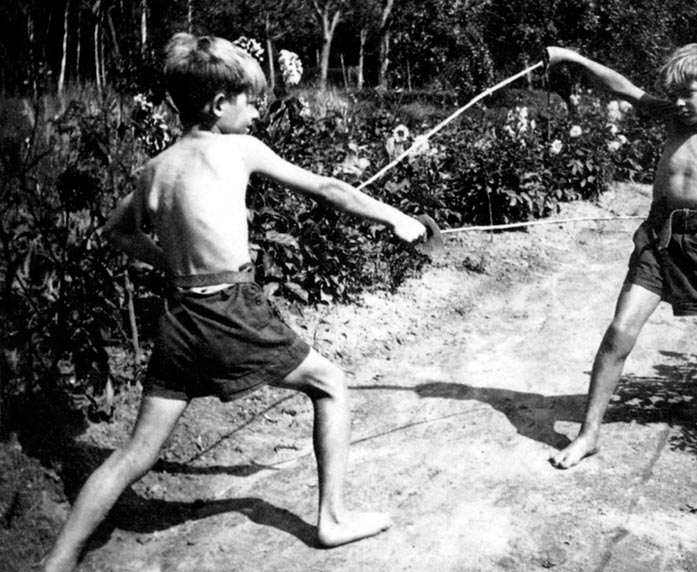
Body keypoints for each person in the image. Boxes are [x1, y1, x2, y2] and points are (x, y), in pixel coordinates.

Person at [43, 33, 426, 572]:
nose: (255, 111)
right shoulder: (238, 148)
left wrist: (171, 263)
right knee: (331, 384)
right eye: (249, 101)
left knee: (135, 453)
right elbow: (327, 189)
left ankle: (57, 560)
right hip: (231, 308)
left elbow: (117, 231)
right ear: (220, 105)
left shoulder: (154, 169)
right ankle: (332, 519)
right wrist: (396, 218)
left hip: (180, 316)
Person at [543, 44, 697, 470]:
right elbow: (624, 89)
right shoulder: (673, 119)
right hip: (657, 239)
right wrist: (576, 59)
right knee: (619, 331)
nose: (678, 102)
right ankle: (589, 434)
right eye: (673, 94)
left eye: (688, 92)